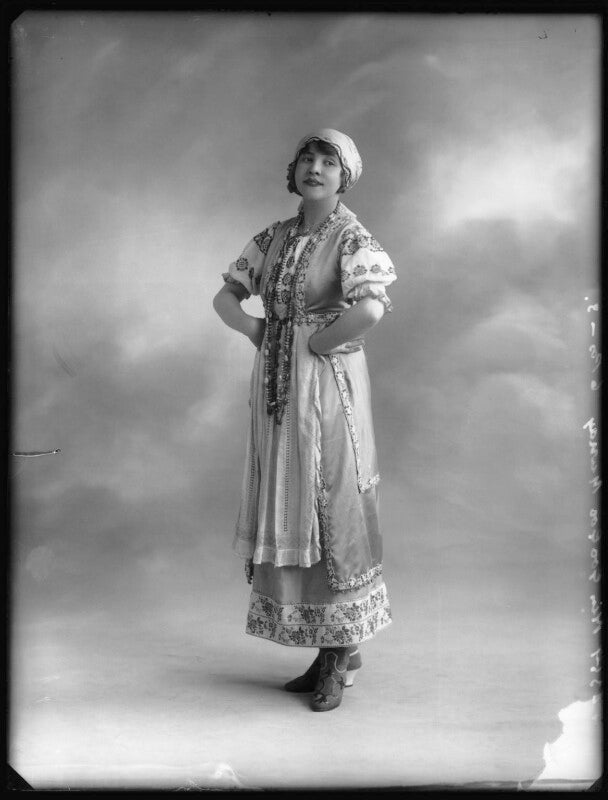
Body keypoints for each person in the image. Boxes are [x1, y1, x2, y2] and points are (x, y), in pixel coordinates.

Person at [213, 128, 396, 712]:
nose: (315, 168)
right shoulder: (274, 237)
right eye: (307, 159)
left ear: (346, 176)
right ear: (293, 171)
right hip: (278, 390)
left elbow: (371, 306)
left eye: (328, 162)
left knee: (330, 500)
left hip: (329, 387)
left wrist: (317, 343)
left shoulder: (351, 236)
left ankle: (340, 652)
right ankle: (328, 649)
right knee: (292, 497)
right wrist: (258, 330)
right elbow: (226, 297)